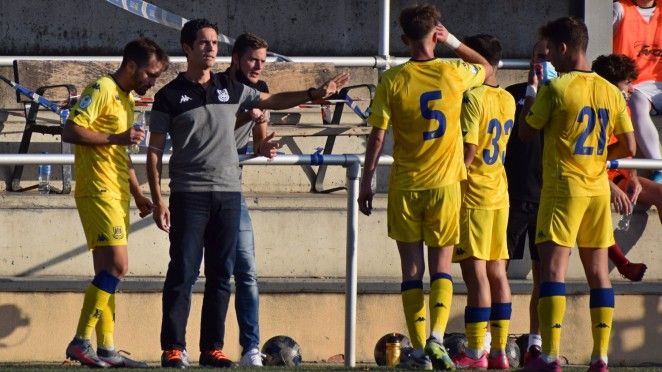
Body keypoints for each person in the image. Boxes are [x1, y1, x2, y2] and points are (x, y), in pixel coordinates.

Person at [146, 19, 348, 368]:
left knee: (222, 275)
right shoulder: (168, 96)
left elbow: (272, 100)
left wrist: (313, 94)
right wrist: (158, 199)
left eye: (214, 43)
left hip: (228, 192)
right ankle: (174, 348)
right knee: (183, 272)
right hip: (188, 193)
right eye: (204, 43)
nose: (211, 49)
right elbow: (153, 151)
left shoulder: (229, 86)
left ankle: (212, 348)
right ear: (187, 48)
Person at [358, 4, 492, 370]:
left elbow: (377, 136)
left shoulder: (393, 79)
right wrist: (452, 41)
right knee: (442, 268)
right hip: (446, 185)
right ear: (434, 34)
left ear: (403, 39)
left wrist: (367, 182)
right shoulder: (452, 72)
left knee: (411, 270)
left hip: (406, 185)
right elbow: (487, 67)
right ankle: (436, 338)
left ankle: (419, 350)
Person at [518, 17, 636, 372]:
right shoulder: (611, 91)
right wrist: (600, 157)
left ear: (564, 48)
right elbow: (629, 146)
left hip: (562, 190)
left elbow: (525, 132)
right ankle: (600, 357)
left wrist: (532, 91)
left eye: (551, 49)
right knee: (599, 275)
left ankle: (550, 356)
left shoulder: (557, 88)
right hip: (597, 191)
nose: (549, 56)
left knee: (553, 272)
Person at [62, 37, 169, 368]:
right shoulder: (102, 88)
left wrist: (137, 193)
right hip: (97, 190)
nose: (152, 82)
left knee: (106, 272)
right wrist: (116, 137)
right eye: (150, 74)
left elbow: (119, 153)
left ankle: (106, 347)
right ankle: (81, 341)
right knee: (119, 267)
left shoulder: (125, 100)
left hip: (116, 191)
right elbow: (70, 129)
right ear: (132, 66)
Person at [450, 34, 515, 370]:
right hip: (499, 194)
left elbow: (470, 151)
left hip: (473, 195)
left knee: (476, 277)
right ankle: (501, 351)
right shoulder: (506, 99)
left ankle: (477, 353)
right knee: (498, 274)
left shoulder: (472, 98)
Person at [224, 32, 279, 367]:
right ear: (236, 59)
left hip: (232, 188)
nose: (258, 66)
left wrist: (265, 145)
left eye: (262, 60)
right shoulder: (217, 86)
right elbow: (215, 129)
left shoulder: (259, 89)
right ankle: (183, 348)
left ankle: (251, 349)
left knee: (246, 270)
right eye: (252, 60)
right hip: (198, 188)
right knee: (193, 273)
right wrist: (250, 113)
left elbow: (260, 137)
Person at [503, 39, 552, 364]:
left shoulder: (564, 96)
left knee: (544, 274)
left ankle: (536, 342)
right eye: (538, 56)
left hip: (548, 196)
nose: (542, 63)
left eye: (547, 58)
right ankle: (494, 338)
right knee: (496, 270)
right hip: (510, 194)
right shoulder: (513, 93)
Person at [593, 53, 662, 272]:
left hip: (617, 176)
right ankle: (622, 264)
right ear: (610, 85)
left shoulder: (624, 108)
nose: (632, 89)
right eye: (627, 83)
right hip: (590, 179)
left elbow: (627, 153)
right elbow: (585, 163)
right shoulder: (592, 111)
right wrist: (610, 187)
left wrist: (632, 177)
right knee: (595, 204)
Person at [613, 0, 662, 183]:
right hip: (634, 84)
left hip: (659, 85)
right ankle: (658, 168)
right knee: (637, 104)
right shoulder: (621, 9)